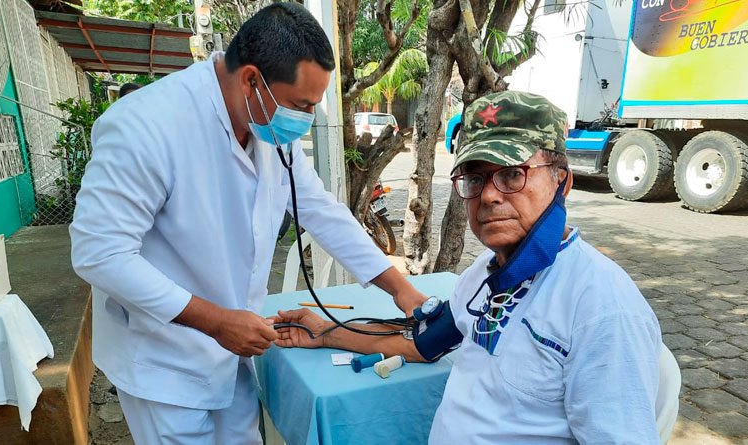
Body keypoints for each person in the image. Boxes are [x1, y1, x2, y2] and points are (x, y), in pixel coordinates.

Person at [69, 4, 426, 444]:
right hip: (165, 363)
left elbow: (320, 210)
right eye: (301, 105)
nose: (307, 117)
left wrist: (401, 288)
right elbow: (100, 254)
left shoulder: (266, 127)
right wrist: (217, 320)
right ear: (252, 79)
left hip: (233, 350)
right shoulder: (145, 127)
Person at [274, 91, 663, 444]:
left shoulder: (602, 309)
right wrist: (326, 333)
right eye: (475, 178)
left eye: (512, 173)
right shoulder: (482, 275)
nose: (490, 195)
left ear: (562, 182)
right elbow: (421, 345)